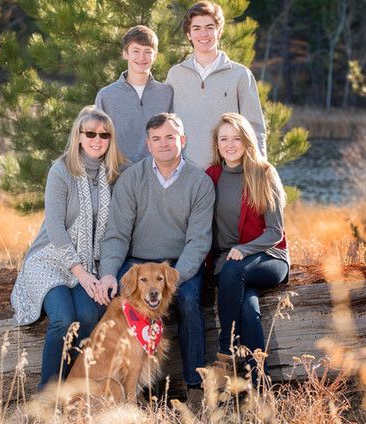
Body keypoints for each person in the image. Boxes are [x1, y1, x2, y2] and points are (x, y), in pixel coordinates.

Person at [98, 112, 215, 406]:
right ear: (148, 144)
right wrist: (110, 272)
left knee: (188, 302)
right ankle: (120, 388)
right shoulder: (132, 179)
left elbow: (198, 240)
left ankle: (194, 387)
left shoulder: (199, 183)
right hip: (136, 263)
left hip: (178, 266)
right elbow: (117, 235)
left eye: (170, 137)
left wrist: (172, 280)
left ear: (182, 140)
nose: (164, 144)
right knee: (119, 303)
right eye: (157, 139)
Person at [11, 106, 126, 389]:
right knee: (64, 318)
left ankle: (73, 391)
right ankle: (48, 397)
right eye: (90, 133)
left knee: (89, 315)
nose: (97, 139)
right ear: (78, 136)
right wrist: (83, 275)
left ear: (110, 139)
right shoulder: (60, 171)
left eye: (104, 134)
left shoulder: (112, 174)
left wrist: (98, 273)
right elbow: (56, 229)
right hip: (51, 260)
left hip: (88, 263)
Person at [206, 112, 290, 384]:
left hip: (268, 257)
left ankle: (225, 353)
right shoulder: (211, 175)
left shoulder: (264, 173)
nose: (230, 145)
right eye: (224, 139)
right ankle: (259, 386)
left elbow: (275, 232)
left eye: (237, 138)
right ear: (217, 144)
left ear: (247, 141)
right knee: (248, 310)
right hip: (227, 262)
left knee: (234, 271)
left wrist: (245, 249)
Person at [166, 1, 266, 170]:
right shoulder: (175, 75)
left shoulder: (240, 75)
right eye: (196, 28)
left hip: (229, 171)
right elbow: (166, 126)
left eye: (209, 27)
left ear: (219, 32)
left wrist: (261, 169)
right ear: (189, 34)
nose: (203, 33)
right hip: (185, 173)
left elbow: (255, 127)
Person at [95, 25, 173, 164]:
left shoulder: (167, 93)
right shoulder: (106, 96)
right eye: (136, 51)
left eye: (147, 51)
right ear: (125, 53)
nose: (141, 57)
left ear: (155, 55)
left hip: (159, 176)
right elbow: (99, 142)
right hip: (118, 177)